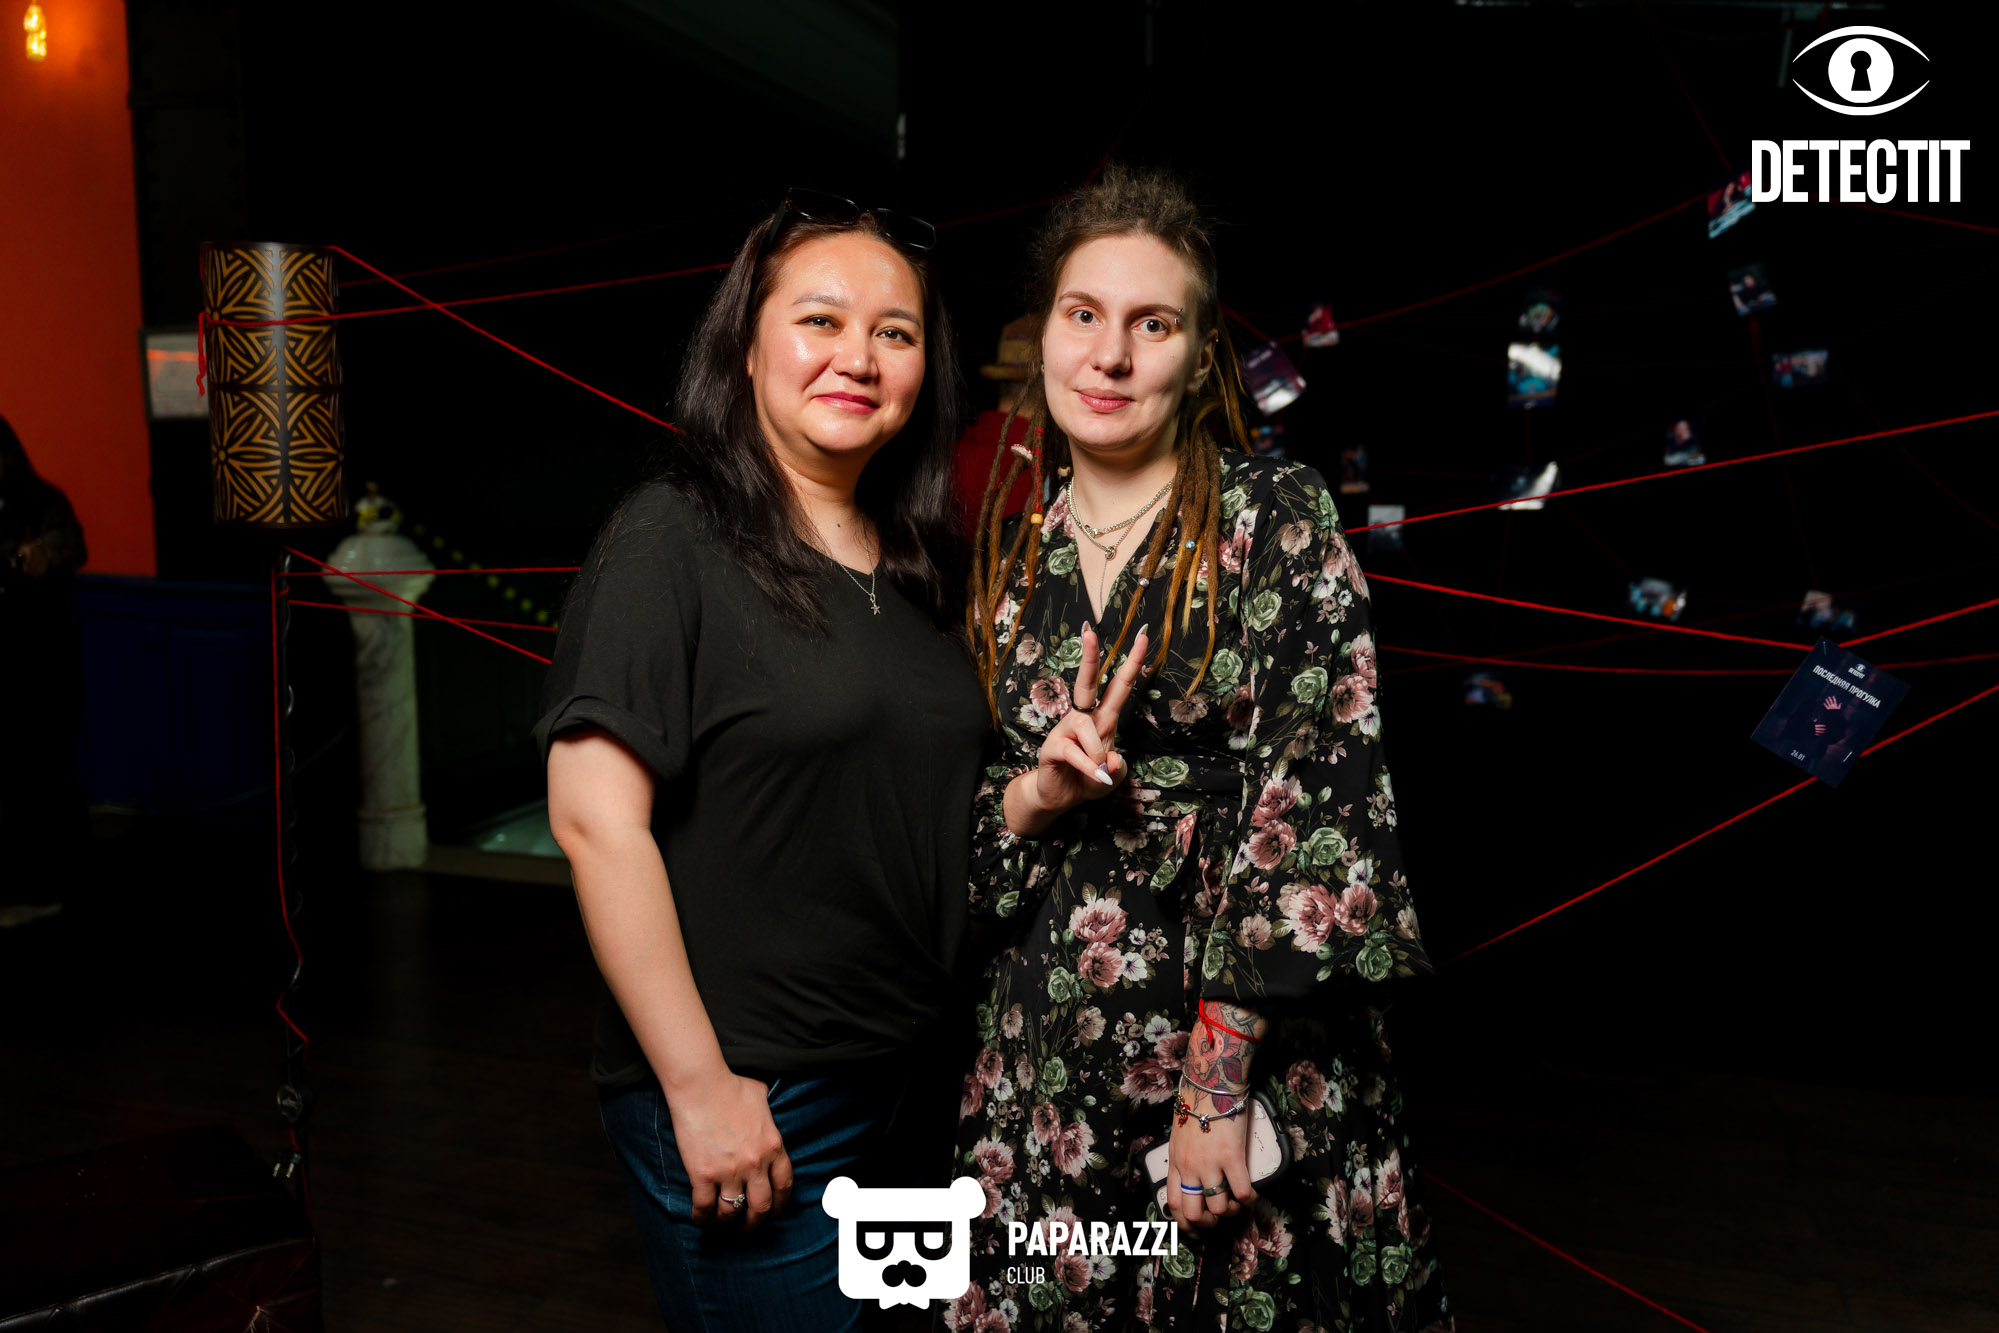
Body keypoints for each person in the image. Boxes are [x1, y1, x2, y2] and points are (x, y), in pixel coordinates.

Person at [949, 167, 1451, 1331]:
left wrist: (1217, 1082)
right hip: (1051, 1064)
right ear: (1041, 336)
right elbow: (973, 832)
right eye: (1083, 314)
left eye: (1152, 323)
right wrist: (1037, 791)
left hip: (1243, 1060)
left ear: (1199, 352)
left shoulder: (1273, 513)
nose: (1109, 355)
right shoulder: (1013, 557)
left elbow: (1322, 783)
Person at [534, 190, 989, 1331]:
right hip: (765, 1101)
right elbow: (594, 820)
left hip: (914, 1084)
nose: (858, 357)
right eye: (820, 320)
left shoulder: (921, 561)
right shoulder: (671, 534)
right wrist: (700, 1088)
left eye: (894, 332)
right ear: (745, 347)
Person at [0, 416, 89, 929]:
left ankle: (53, 888)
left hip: (44, 662)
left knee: (46, 773)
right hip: (9, 664)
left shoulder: (43, 501)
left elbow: (71, 544)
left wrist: (41, 554)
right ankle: (28, 885)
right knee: (15, 779)